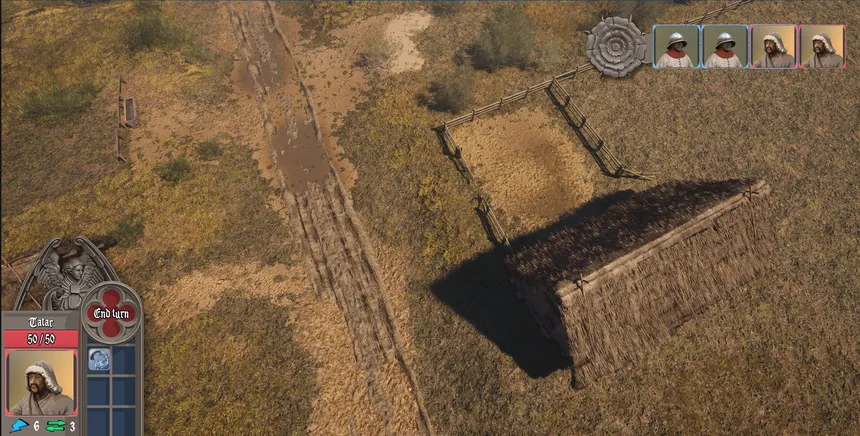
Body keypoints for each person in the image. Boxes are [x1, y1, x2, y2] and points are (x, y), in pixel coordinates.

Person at [9, 360, 75, 416]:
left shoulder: (65, 402)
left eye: (38, 377)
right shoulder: (26, 400)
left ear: (47, 380)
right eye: (30, 377)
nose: (32, 381)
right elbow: (9, 416)